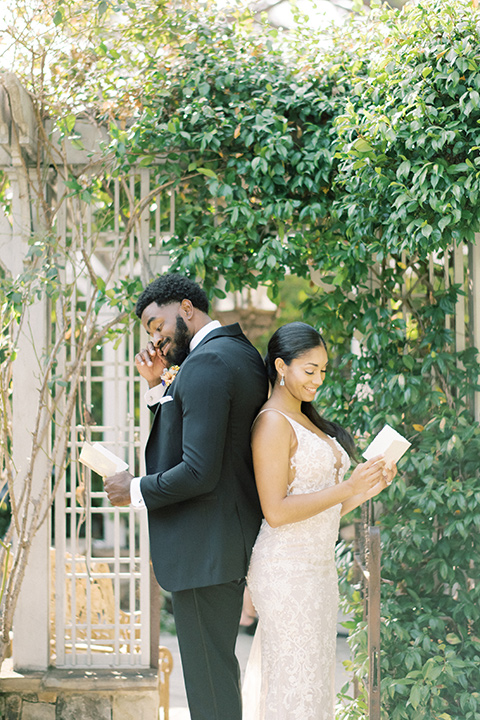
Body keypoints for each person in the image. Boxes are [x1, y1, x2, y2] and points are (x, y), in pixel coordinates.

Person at [104, 273, 268, 720]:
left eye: (158, 325)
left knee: (209, 682)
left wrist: (132, 489)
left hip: (205, 549)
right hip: (219, 541)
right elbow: (204, 436)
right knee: (214, 674)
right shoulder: (237, 354)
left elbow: (198, 470)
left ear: (186, 308)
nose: (156, 340)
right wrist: (159, 387)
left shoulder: (208, 364)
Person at [243, 322, 396, 720]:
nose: (319, 380)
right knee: (293, 686)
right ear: (280, 366)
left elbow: (323, 509)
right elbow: (275, 511)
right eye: (309, 370)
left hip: (318, 571)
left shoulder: (308, 419)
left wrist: (367, 486)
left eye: (323, 370)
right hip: (285, 571)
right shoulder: (272, 422)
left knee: (313, 685)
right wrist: (348, 488)